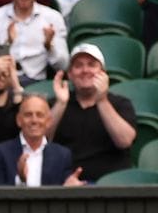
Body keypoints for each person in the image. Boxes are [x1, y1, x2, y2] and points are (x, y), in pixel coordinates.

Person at [48, 43, 136, 182]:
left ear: (103, 73)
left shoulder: (120, 103)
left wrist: (102, 101)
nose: (85, 70)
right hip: (67, 184)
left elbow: (124, 141)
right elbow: (41, 140)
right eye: (78, 66)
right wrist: (61, 104)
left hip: (112, 185)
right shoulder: (57, 103)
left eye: (91, 65)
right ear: (70, 74)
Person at [0, 94, 84, 186]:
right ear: (19, 120)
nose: (34, 120)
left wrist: (68, 188)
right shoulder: (0, 153)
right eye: (28, 115)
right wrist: (20, 181)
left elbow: (64, 190)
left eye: (40, 115)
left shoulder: (62, 155)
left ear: (49, 121)